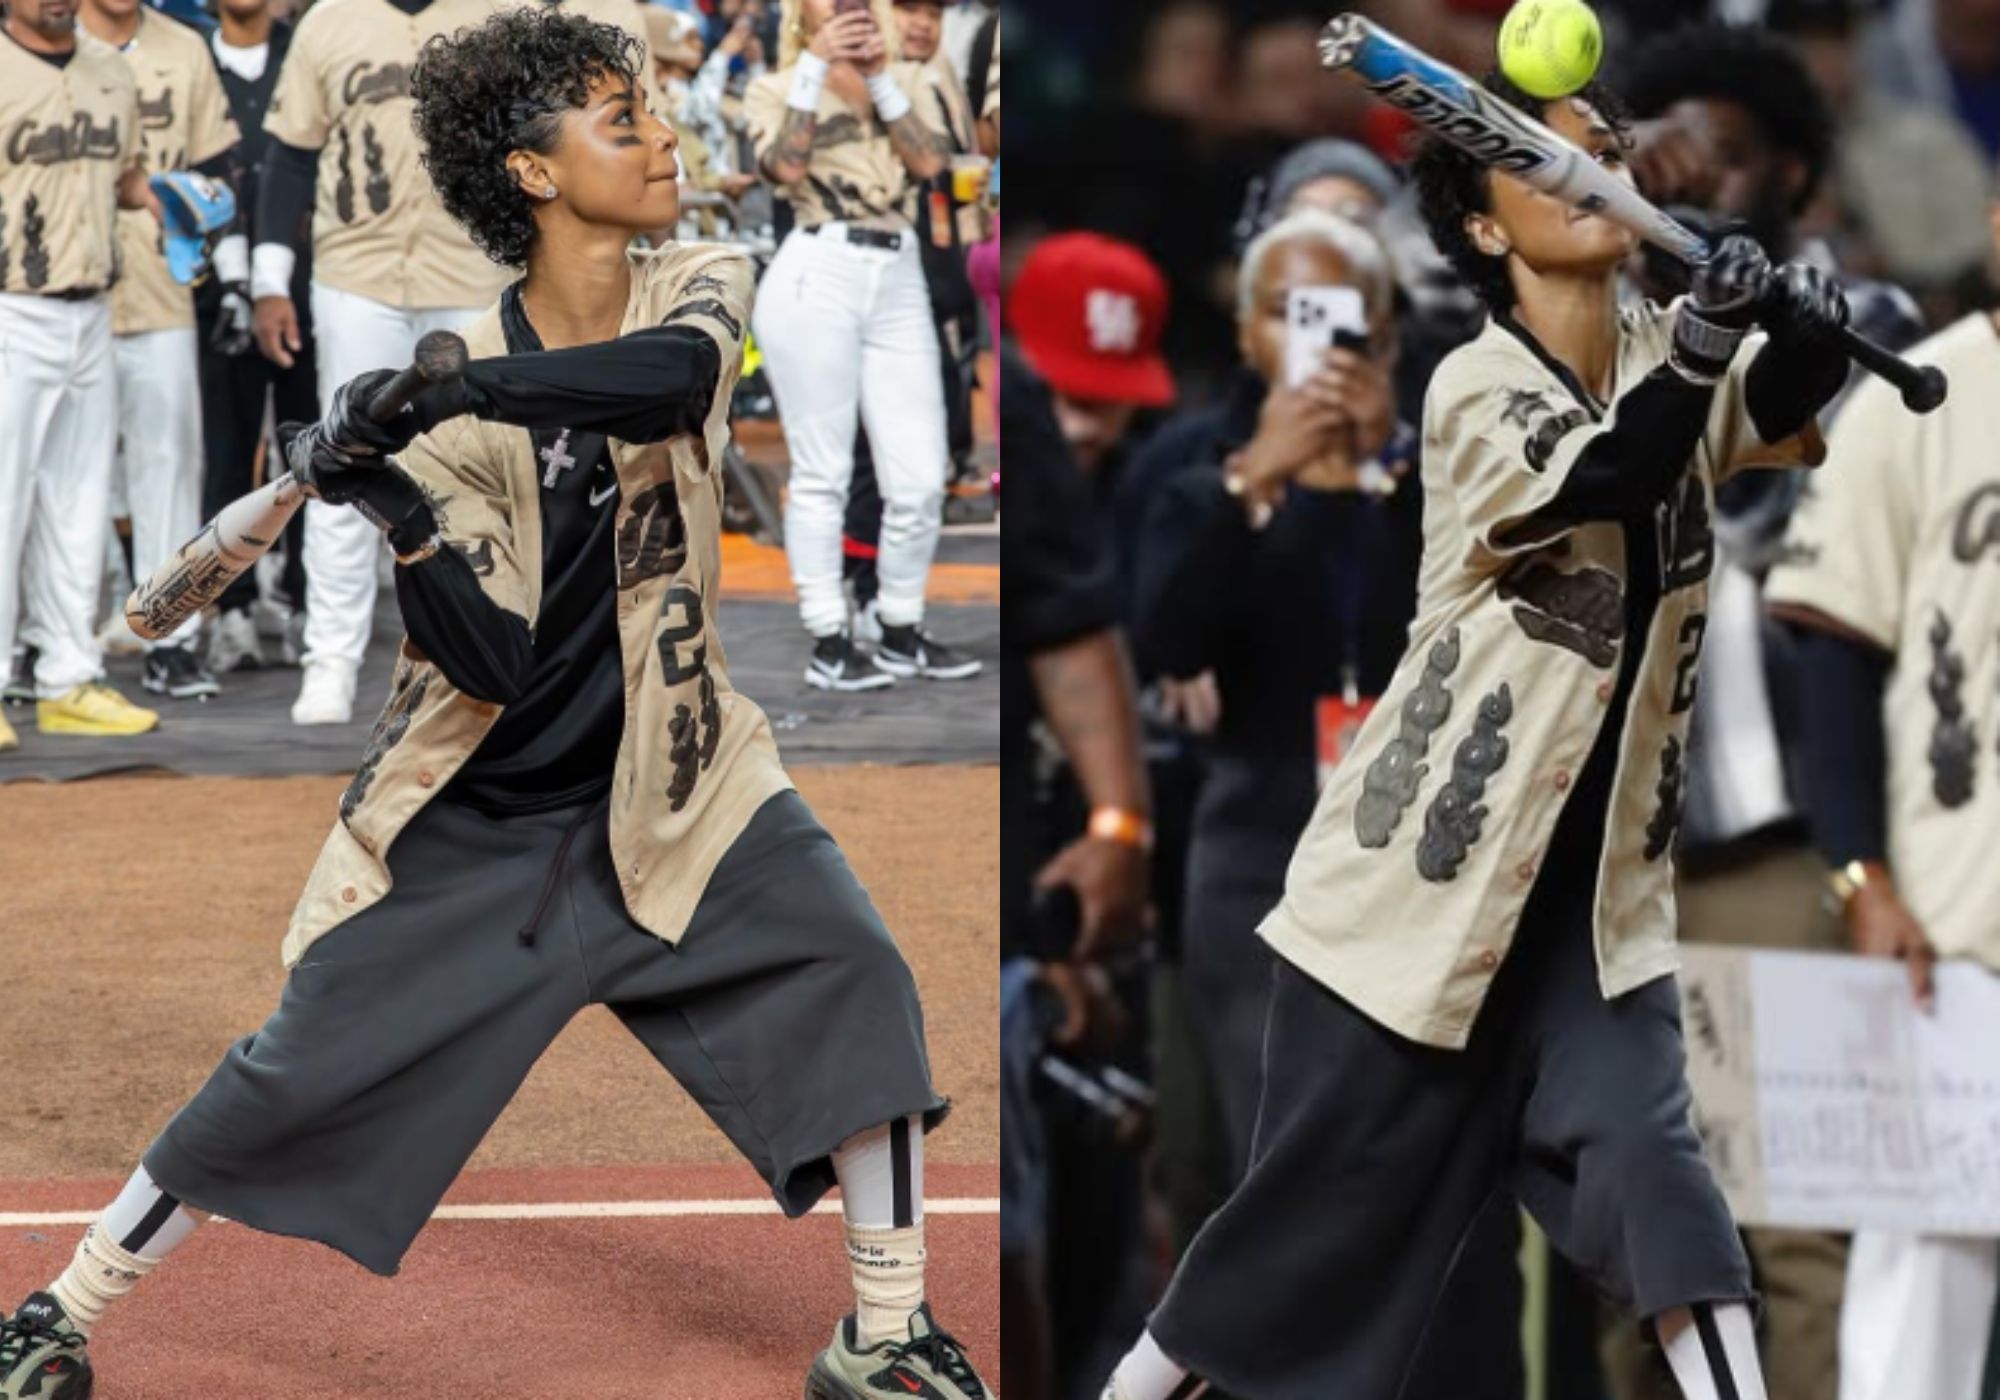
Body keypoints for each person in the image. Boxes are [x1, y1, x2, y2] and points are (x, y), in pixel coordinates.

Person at [0, 12, 992, 1400]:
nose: (659, 138)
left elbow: (678, 381)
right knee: (291, 1072)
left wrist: (459, 390)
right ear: (531, 172)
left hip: (682, 778)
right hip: (483, 820)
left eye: (649, 112)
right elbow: (490, 663)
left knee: (854, 975)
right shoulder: (442, 402)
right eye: (619, 119)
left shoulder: (686, 277)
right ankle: (57, 1312)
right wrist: (392, 494)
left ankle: (884, 1336)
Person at [1099, 75, 1855, 1400]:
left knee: (1662, 1183)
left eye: (1605, 151)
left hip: (1590, 912)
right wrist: (1705, 348)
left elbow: (1766, 405)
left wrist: (1801, 321)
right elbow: (1614, 470)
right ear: (1488, 230)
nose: (1594, 174)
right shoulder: (1470, 382)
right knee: (1295, 1247)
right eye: (1551, 163)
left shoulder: (1665, 351)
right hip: (1414, 906)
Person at [1601, 26, 1929, 1400]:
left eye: (1721, 153)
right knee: (1637, 1240)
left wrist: (1716, 306)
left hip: (1785, 848)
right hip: (1621, 856)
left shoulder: (1884, 330)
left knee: (1796, 1224)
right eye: (1660, 147)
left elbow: (1753, 497)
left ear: (1791, 169)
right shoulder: (1597, 329)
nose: (1689, 173)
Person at [250, 0, 652, 725]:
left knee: (494, 470)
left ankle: (500, 652)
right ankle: (331, 660)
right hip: (355, 272)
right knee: (346, 456)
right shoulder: (330, 18)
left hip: (471, 271)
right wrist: (269, 281)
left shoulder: (500, 15)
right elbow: (289, 154)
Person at [1763, 184, 2000, 1400]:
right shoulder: (1919, 396)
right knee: (1915, 1301)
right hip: (1955, 931)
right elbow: (1833, 656)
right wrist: (1860, 870)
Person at [1001, 340, 1151, 1400]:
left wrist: (1120, 821)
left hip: (1011, 882)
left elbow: (1064, 619)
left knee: (1015, 1242)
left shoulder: (1010, 391)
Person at [748, 0, 977, 689]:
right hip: (820, 261)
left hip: (900, 265)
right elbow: (782, 168)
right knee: (823, 469)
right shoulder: (776, 83)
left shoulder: (904, 76)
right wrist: (816, 63)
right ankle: (829, 634)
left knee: (919, 470)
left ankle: (899, 625)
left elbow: (934, 161)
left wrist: (879, 78)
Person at [0, 0, 173, 753]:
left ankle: (68, 678)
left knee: (79, 502)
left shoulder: (109, 69)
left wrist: (166, 199)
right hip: (11, 307)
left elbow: (125, 173)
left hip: (92, 306)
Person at [76, 0, 242, 702]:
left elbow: (217, 169)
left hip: (161, 292)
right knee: (62, 480)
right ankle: (42, 646)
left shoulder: (185, 45)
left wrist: (227, 259)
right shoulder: (38, 46)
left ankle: (170, 640)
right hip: (61, 288)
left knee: (169, 469)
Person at [196, 0, 320, 675]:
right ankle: (233, 607)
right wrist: (232, 279)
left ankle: (304, 601)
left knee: (311, 450)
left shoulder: (307, 49)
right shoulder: (194, 56)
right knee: (226, 452)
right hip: (217, 289)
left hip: (306, 283)